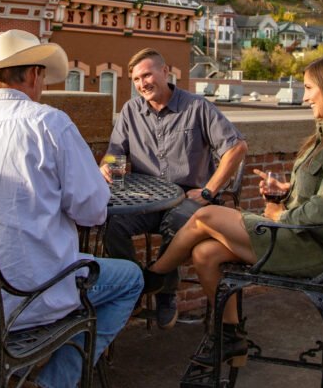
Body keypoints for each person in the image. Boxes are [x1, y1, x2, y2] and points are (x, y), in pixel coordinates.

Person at [0, 30, 143, 388]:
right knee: (130, 278)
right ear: (33, 74)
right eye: (43, 76)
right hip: (28, 296)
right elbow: (94, 211)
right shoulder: (50, 124)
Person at [144, 53, 323, 367]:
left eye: (309, 89)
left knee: (205, 216)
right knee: (204, 254)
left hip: (310, 246)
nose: (305, 98)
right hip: (293, 234)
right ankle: (230, 338)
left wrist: (281, 215)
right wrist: (287, 190)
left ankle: (154, 276)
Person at [102, 47, 248, 329]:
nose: (142, 84)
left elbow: (237, 147)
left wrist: (208, 191)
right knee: (111, 223)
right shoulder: (131, 111)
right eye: (136, 79)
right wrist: (106, 167)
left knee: (179, 221)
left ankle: (165, 292)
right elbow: (115, 154)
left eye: (147, 75)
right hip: (147, 200)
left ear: (165, 72)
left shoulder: (196, 107)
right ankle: (135, 288)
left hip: (189, 198)